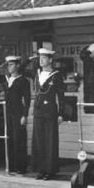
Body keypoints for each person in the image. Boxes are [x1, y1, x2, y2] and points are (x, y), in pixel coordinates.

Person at [0, 56, 31, 174]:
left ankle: (21, 167)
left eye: (11, 65)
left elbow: (27, 99)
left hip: (18, 112)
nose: (9, 67)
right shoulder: (6, 79)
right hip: (8, 112)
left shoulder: (23, 81)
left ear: (17, 66)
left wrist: (25, 115)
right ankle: (11, 166)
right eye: (8, 65)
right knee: (10, 139)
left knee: (19, 140)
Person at [31, 48, 65, 180]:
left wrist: (61, 113)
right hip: (38, 111)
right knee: (39, 141)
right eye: (40, 57)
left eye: (44, 57)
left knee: (50, 141)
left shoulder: (56, 75)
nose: (41, 60)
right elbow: (22, 69)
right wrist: (30, 59)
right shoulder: (37, 73)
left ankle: (50, 170)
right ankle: (41, 169)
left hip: (50, 111)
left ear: (50, 60)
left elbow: (61, 96)